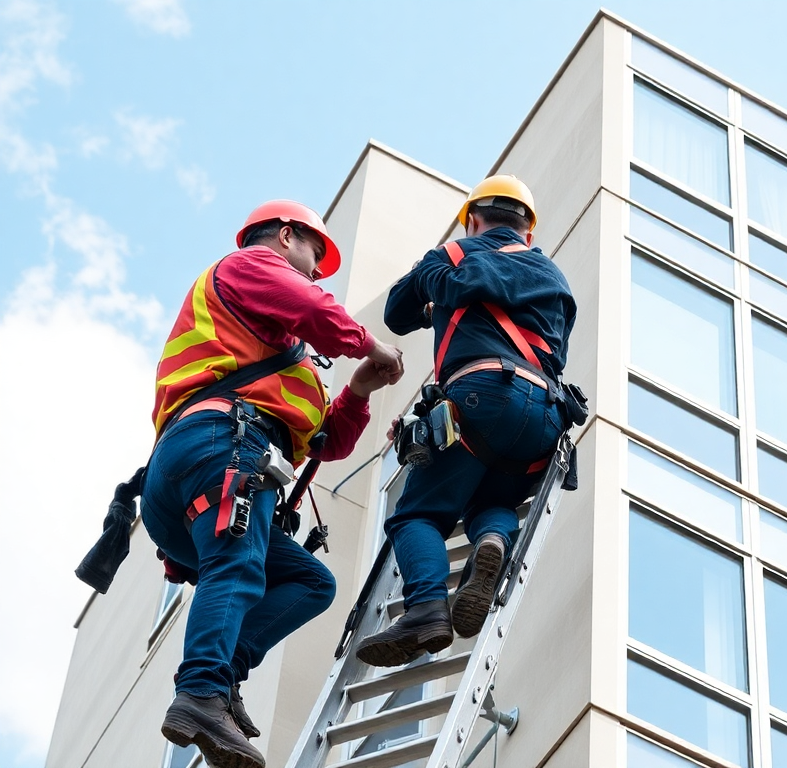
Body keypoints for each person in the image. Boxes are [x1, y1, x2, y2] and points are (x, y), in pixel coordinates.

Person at [141, 200, 404, 768]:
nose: (314, 271)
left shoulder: (271, 350)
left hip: (195, 470)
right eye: (314, 255)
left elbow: (326, 442)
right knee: (236, 567)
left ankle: (221, 677)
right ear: (285, 237)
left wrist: (356, 389)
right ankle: (201, 693)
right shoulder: (248, 266)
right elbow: (315, 308)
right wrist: (371, 343)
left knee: (311, 583)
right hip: (220, 445)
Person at [358, 175, 577, 668]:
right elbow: (557, 348)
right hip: (543, 417)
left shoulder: (454, 257)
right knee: (492, 498)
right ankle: (493, 541)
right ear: (529, 233)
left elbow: (397, 312)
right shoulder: (554, 277)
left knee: (416, 515)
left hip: (480, 397)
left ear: (472, 220)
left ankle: (426, 610)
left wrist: (439, 285)